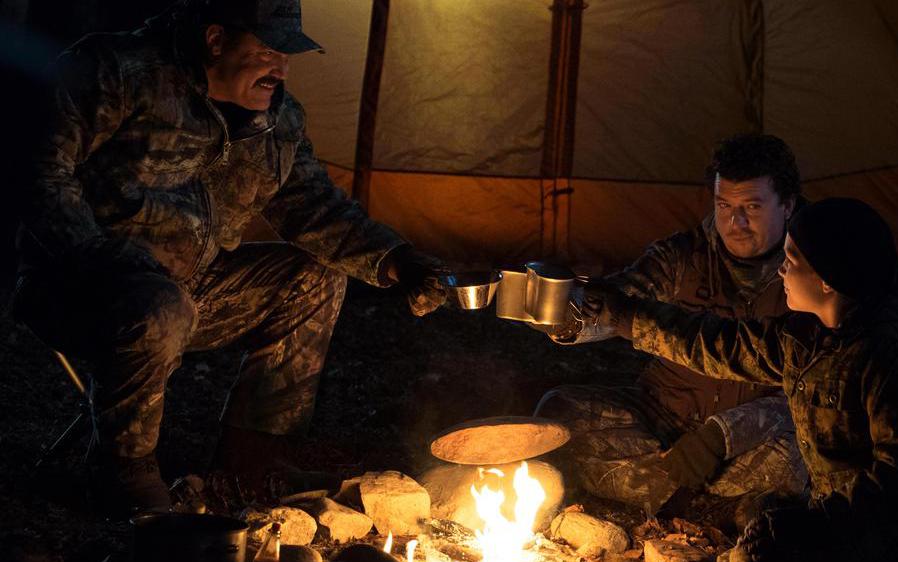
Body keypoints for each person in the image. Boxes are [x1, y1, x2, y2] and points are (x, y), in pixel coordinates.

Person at [13, 0, 446, 516]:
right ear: (215, 39)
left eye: (287, 53)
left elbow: (313, 207)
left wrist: (399, 260)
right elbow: (39, 173)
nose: (281, 68)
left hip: (193, 287)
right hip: (82, 287)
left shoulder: (277, 121)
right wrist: (101, 258)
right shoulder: (117, 74)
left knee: (313, 276)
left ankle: (253, 462)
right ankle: (124, 472)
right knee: (160, 306)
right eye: (267, 51)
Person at [583, 198, 898, 562]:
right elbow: (721, 345)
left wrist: (811, 526)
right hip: (837, 523)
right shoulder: (810, 336)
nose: (781, 271)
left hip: (891, 540)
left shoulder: (896, 356)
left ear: (826, 280)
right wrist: (624, 315)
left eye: (791, 260)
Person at [533, 134, 807, 523]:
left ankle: (666, 495)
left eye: (752, 207)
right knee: (559, 414)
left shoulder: (811, 271)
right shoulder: (684, 255)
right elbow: (617, 301)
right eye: (724, 206)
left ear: (787, 205)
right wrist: (569, 318)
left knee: (800, 453)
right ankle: (714, 507)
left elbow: (817, 387)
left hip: (749, 437)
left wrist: (722, 435)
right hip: (664, 416)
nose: (736, 223)